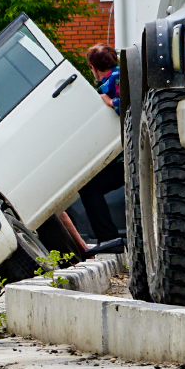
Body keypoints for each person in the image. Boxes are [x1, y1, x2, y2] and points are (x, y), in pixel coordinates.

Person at [79, 44, 124, 243]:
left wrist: (109, 102)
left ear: (93, 67)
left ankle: (108, 239)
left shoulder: (116, 78)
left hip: (124, 158)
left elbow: (128, 103)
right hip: (122, 155)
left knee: (89, 188)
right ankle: (107, 237)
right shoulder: (116, 76)